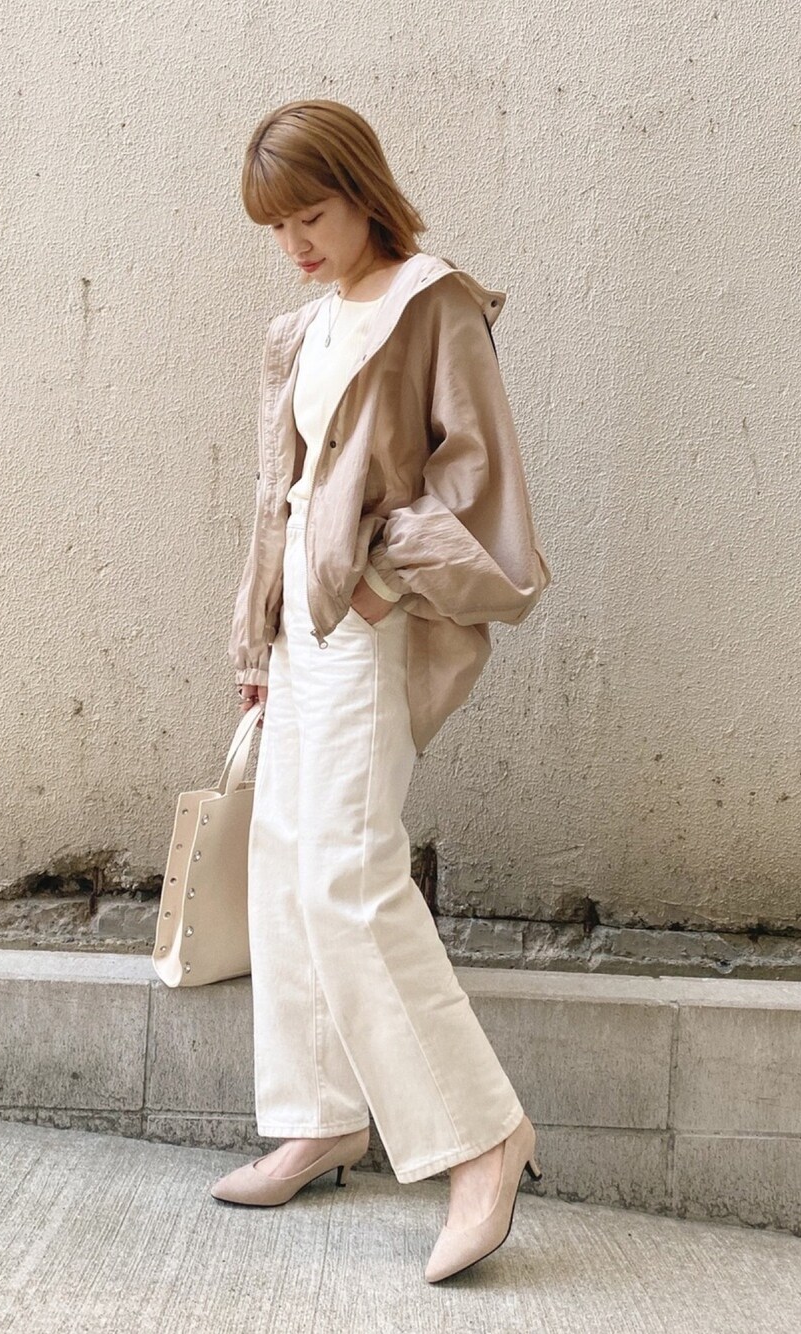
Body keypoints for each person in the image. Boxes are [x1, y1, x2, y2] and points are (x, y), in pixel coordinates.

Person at [210, 98, 552, 1284]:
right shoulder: (303, 327)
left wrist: (375, 588)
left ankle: (483, 1138)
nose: (295, 243)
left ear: (363, 191)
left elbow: (476, 479)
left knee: (349, 873)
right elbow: (283, 494)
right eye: (276, 226)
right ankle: (321, 1117)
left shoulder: (429, 302)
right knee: (285, 865)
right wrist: (258, 640)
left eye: (311, 214)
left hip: (369, 627)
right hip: (301, 635)